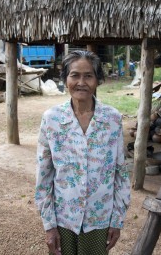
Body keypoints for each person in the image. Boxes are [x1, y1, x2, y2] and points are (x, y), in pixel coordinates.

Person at [35, 50, 130, 255]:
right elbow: (44, 176)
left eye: (88, 76)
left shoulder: (112, 119)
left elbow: (120, 173)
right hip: (63, 219)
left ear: (98, 80)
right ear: (65, 79)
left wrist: (117, 220)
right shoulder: (51, 119)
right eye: (74, 75)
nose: (81, 82)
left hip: (100, 220)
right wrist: (49, 225)